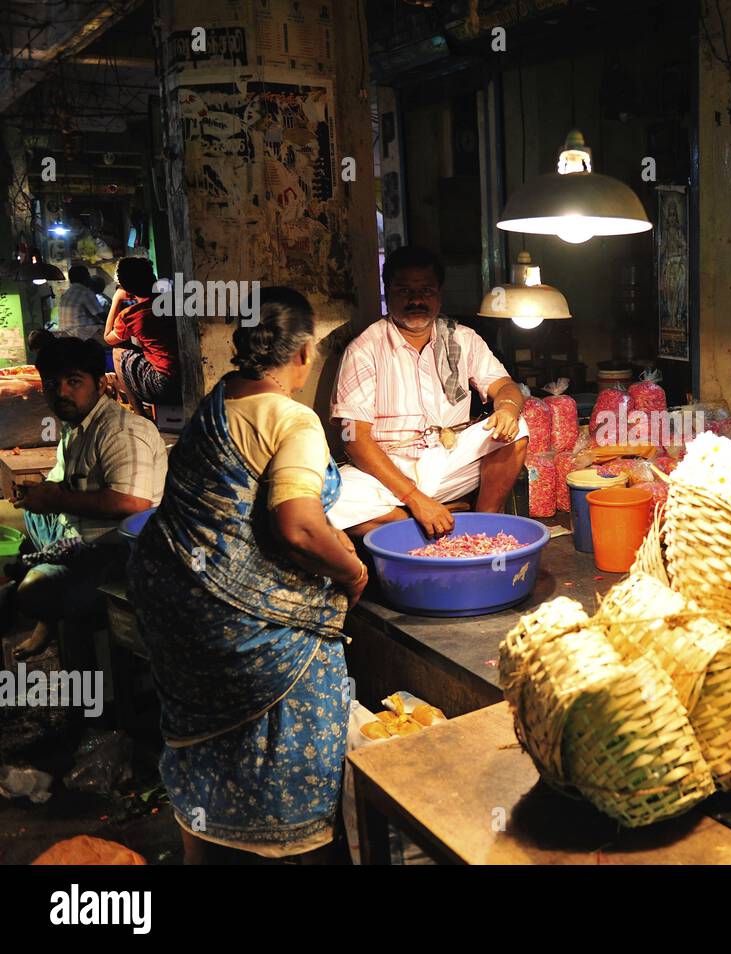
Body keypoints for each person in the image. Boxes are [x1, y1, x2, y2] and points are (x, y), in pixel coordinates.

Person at [128, 288, 366, 864]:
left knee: (206, 749)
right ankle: (293, 847)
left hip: (173, 604)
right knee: (300, 708)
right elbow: (299, 526)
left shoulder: (218, 401)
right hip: (242, 630)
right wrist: (352, 571)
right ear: (304, 352)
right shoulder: (292, 419)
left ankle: (203, 852)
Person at [328, 245, 529, 538]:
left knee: (517, 428)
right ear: (388, 291)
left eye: (426, 291)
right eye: (404, 291)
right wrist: (416, 499)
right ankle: (422, 519)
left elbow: (505, 386)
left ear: (439, 292)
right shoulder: (364, 349)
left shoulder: (462, 338)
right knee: (330, 503)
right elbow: (354, 439)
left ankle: (481, 529)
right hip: (389, 469)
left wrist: (508, 409)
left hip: (450, 458)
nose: (416, 300)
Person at [6, 332, 166, 660]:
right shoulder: (76, 426)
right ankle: (42, 582)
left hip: (118, 554)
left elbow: (132, 504)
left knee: (31, 593)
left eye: (73, 381)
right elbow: (61, 479)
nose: (61, 392)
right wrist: (40, 493)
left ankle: (47, 616)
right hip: (78, 535)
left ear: (101, 383)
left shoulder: (120, 430)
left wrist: (54, 499)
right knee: (28, 514)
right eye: (52, 384)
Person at [105, 257, 181, 411]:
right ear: (152, 278)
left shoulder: (131, 316)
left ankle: (139, 412)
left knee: (118, 351)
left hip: (163, 386)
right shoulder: (174, 300)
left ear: (126, 288)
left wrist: (116, 300)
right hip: (188, 377)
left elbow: (108, 338)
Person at [55, 264, 107, 342]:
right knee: (115, 335)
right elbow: (102, 315)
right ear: (85, 278)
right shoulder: (85, 292)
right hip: (81, 334)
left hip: (65, 334)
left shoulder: (66, 293)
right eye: (88, 275)